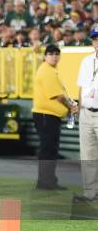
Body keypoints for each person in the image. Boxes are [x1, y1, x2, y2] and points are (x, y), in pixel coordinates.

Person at [31, 44, 78, 190]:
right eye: (50, 53)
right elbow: (58, 96)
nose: (54, 56)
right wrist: (71, 106)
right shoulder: (47, 71)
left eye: (57, 54)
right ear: (45, 56)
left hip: (48, 115)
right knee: (48, 149)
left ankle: (47, 180)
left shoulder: (51, 70)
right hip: (46, 115)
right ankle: (46, 181)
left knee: (49, 149)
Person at [75, 27, 98, 202]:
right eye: (95, 38)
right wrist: (79, 108)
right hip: (86, 113)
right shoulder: (86, 61)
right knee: (88, 155)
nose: (97, 42)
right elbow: (81, 88)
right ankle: (90, 192)